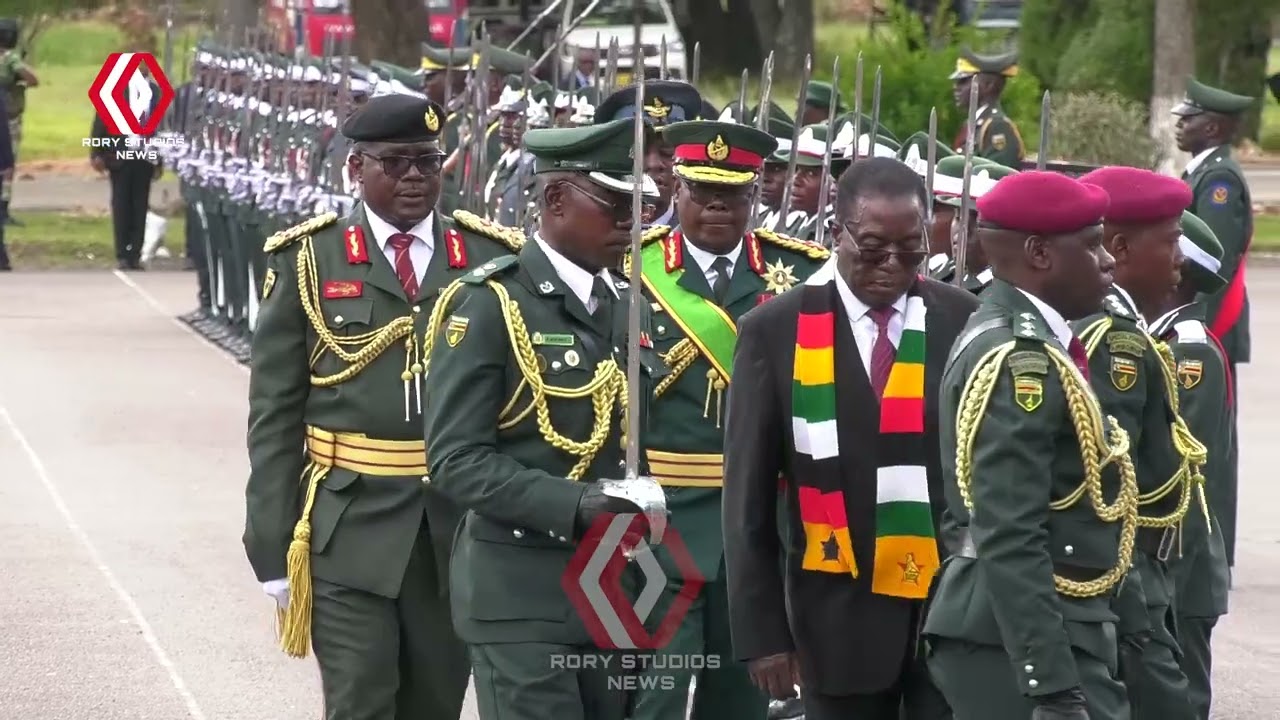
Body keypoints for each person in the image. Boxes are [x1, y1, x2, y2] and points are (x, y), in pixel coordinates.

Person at [243, 93, 523, 720]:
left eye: (427, 161)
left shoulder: (490, 258)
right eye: (395, 163)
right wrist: (270, 536)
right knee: (360, 701)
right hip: (348, 523)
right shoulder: (310, 259)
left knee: (435, 704)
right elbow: (274, 415)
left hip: (456, 528)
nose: (414, 177)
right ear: (356, 168)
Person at [423, 117, 662, 720]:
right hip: (520, 596)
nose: (631, 223)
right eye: (614, 205)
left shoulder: (627, 304)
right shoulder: (490, 303)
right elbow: (455, 460)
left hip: (611, 593)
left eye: (639, 208)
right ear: (556, 199)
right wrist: (575, 504)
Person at [724, 157, 977, 720]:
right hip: (835, 623)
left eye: (910, 249)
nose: (892, 265)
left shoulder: (963, 320)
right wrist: (764, 634)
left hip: (946, 618)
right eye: (873, 248)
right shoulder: (776, 330)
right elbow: (748, 502)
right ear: (837, 233)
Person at [627, 119, 829, 720]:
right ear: (677, 190)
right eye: (703, 192)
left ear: (755, 196)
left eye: (733, 194)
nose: (718, 206)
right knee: (657, 694)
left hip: (764, 521)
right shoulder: (632, 269)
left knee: (743, 698)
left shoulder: (804, 274)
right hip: (663, 519)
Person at [924, 170, 1136, 720]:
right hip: (1018, 637)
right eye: (1091, 245)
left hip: (1034, 623)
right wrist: (1053, 686)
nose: (1107, 261)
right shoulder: (1020, 362)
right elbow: (1009, 529)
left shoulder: (1024, 338)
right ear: (1039, 254)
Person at [1072, 166, 1201, 720]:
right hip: (1120, 573)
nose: (1181, 259)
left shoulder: (1122, 328)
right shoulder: (1112, 340)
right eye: (1171, 241)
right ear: (1120, 247)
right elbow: (1106, 480)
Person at [1147, 211, 1232, 720]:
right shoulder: (1158, 339)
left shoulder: (1188, 352)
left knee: (1180, 702)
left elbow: (1181, 476)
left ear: (1178, 271)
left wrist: (1159, 579)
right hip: (1166, 563)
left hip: (1181, 565)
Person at [1172, 77, 1256, 571]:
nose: (1180, 125)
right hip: (1201, 326)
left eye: (1190, 118)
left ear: (1215, 127)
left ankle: (1212, 554)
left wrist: (1193, 325)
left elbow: (1213, 266)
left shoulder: (1218, 181)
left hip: (1210, 328)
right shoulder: (1203, 171)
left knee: (1211, 445)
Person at [596, 80, 704, 228]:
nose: (654, 164)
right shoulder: (591, 232)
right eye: (638, 151)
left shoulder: (699, 234)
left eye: (667, 151)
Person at [90, 74, 163, 272]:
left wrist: (160, 158)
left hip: (145, 156)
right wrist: (96, 152)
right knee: (121, 204)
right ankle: (122, 253)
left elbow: (161, 125)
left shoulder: (155, 92)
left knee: (140, 205)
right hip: (119, 155)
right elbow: (102, 118)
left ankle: (135, 254)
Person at [949, 47, 1024, 167]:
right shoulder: (975, 123)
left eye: (963, 81)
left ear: (988, 85)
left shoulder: (997, 126)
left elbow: (996, 174)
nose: (956, 87)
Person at [0, 17, 34, 226]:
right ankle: (3, 209)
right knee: (7, 165)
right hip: (9, 118)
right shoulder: (10, 59)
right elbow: (33, 79)